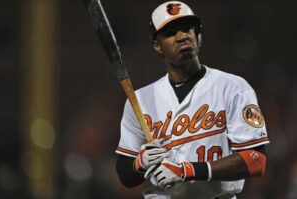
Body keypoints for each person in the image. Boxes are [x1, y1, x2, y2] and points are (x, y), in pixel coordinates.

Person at [115, 1, 270, 198]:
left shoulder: (233, 88)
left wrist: (187, 170)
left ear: (199, 35)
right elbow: (125, 175)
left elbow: (256, 161)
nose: (182, 36)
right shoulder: (140, 100)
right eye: (170, 32)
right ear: (157, 46)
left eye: (187, 28)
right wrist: (140, 163)